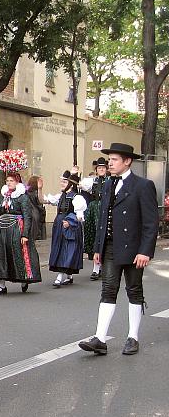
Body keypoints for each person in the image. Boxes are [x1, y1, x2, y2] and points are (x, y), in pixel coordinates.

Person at [79, 142, 158, 356]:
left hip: (134, 248)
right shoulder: (107, 185)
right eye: (109, 159)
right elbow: (103, 218)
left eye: (114, 160)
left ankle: (133, 337)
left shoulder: (143, 185)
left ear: (127, 161)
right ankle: (100, 339)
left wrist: (145, 251)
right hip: (111, 246)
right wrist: (98, 247)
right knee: (108, 289)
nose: (109, 163)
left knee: (134, 290)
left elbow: (151, 223)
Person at [0, 172, 42, 294]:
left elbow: (27, 216)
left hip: (16, 229)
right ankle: (2, 285)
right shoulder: (4, 196)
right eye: (7, 181)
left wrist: (25, 234)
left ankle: (23, 279)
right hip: (2, 229)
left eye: (11, 181)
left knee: (18, 255)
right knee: (1, 255)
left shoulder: (23, 197)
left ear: (17, 182)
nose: (8, 183)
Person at [49, 171, 87, 287]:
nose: (62, 183)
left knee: (66, 250)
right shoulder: (61, 196)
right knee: (60, 248)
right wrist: (39, 189)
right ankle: (69, 276)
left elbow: (80, 216)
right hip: (59, 225)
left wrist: (71, 221)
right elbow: (44, 200)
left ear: (71, 184)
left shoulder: (77, 197)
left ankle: (59, 276)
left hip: (70, 227)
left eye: (65, 182)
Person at [84, 157, 109, 280]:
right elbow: (79, 184)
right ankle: (95, 268)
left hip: (104, 208)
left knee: (103, 236)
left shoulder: (110, 181)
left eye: (103, 168)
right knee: (93, 236)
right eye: (99, 168)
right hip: (93, 208)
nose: (101, 169)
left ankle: (103, 267)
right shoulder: (93, 181)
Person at [25, 175, 46, 241]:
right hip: (35, 213)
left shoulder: (26, 192)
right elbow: (39, 204)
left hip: (28, 212)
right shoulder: (36, 193)